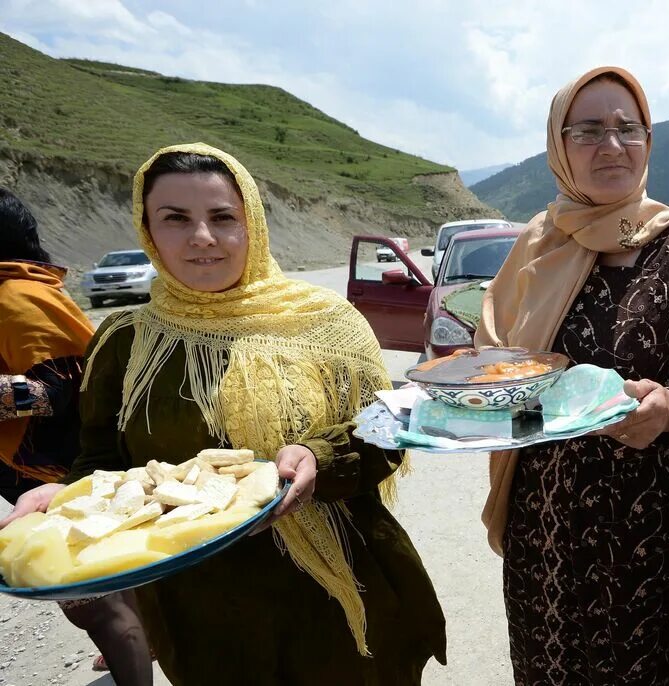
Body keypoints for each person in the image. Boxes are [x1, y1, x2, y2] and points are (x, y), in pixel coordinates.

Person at [2, 144, 446, 685]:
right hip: (201, 608)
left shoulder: (326, 322)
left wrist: (317, 456)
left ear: (251, 223)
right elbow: (102, 459)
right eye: (176, 219)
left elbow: (384, 433)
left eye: (221, 218)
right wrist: (65, 495)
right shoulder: (125, 342)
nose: (202, 237)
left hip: (338, 592)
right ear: (148, 230)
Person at [475, 66, 669, 685]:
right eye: (588, 130)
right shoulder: (537, 247)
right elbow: (495, 366)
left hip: (646, 541)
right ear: (559, 146)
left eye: (628, 128)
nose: (611, 145)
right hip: (542, 535)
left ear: (648, 141)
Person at [0, 187, 153, 684]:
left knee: (90, 601)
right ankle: (137, 638)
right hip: (30, 470)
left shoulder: (15, 295)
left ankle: (131, 648)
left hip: (60, 472)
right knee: (106, 582)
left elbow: (58, 385)